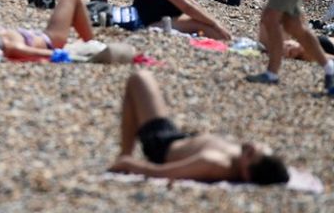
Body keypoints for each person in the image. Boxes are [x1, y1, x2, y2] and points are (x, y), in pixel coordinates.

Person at [108, 71, 289, 185]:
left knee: (139, 78)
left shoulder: (214, 163)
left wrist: (130, 165)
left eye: (250, 154)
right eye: (258, 147)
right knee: (142, 81)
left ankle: (125, 154)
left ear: (247, 174)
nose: (250, 146)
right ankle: (125, 153)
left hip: (161, 144)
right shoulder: (242, 162)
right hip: (178, 137)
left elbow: (161, 172)